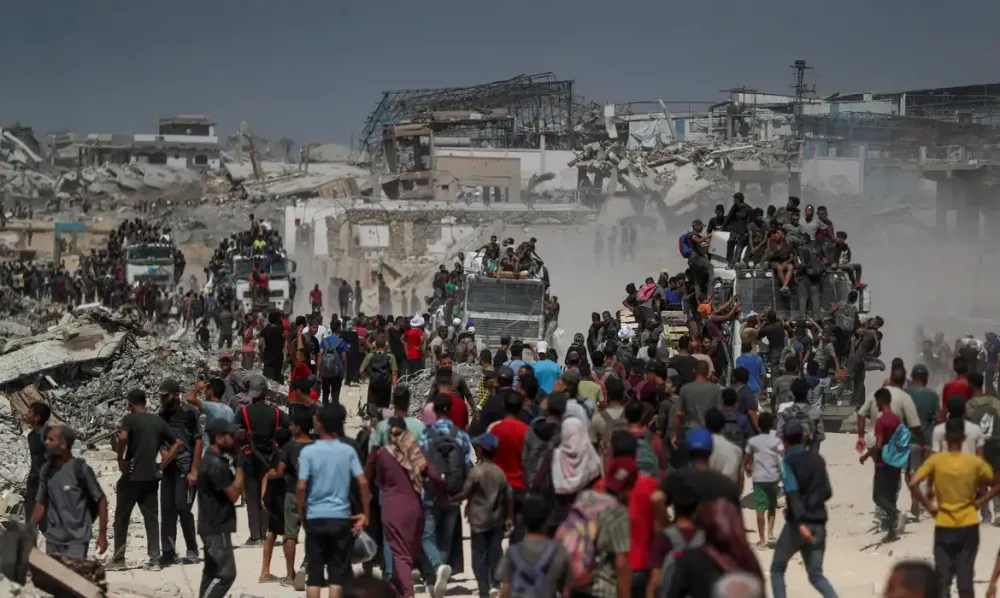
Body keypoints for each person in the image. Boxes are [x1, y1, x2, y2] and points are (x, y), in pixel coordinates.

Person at [911, 417, 997, 598]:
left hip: (944, 522)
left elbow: (913, 483)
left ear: (945, 438)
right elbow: (996, 484)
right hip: (968, 522)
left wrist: (929, 506)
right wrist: (981, 502)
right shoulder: (974, 462)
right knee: (965, 579)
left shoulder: (936, 460)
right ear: (964, 437)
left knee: (943, 579)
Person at [298, 403, 371, 598]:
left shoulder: (308, 451)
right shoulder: (348, 450)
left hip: (315, 517)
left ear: (320, 424)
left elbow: (301, 486)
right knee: (337, 575)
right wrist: (365, 513)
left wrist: (302, 512)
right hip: (341, 517)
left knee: (314, 574)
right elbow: (363, 482)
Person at [111, 389, 183, 571]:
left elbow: (123, 437)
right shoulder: (158, 421)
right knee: (151, 519)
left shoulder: (130, 419)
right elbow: (179, 443)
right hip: (151, 476)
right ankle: (154, 560)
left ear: (130, 404)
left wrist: (120, 460)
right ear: (145, 402)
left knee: (122, 517)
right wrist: (162, 464)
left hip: (131, 476)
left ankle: (119, 559)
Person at [367, 415, 438, 598]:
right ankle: (402, 587)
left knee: (400, 555)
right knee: (411, 551)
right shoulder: (415, 452)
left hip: (393, 509)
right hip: (416, 508)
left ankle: (406, 592)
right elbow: (435, 476)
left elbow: (379, 481)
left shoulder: (384, 455)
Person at [770, 419, 837, 598]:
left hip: (798, 525)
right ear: (803, 438)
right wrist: (812, 502)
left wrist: (800, 522)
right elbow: (827, 492)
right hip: (819, 522)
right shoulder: (818, 460)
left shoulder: (788, 461)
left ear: (784, 440)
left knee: (777, 569)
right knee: (816, 575)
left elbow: (793, 493)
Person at [30, 425, 108, 559]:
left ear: (63, 445)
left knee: (72, 572)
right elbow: (41, 503)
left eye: (51, 439)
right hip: (53, 539)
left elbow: (101, 500)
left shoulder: (80, 469)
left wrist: (102, 535)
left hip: (77, 540)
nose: (46, 442)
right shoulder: (46, 470)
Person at [451, 433, 513, 598]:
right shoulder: (499, 472)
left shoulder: (476, 471)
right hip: (496, 519)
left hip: (478, 520)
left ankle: (484, 589)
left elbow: (465, 493)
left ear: (482, 450)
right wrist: (509, 517)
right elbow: (509, 494)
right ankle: (495, 583)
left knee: (479, 555)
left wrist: (449, 498)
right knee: (494, 552)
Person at [235, 380, 289, 545]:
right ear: (265, 392)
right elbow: (290, 428)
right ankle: (266, 533)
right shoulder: (276, 412)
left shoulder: (243, 412)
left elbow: (234, 433)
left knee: (252, 498)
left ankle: (255, 536)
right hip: (271, 458)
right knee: (267, 495)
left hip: (250, 458)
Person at [158, 378, 203, 566]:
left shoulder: (189, 412)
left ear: (176, 395)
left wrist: (195, 470)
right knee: (167, 509)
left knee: (183, 508)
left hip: (186, 467)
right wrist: (164, 454)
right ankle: (168, 551)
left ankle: (192, 549)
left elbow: (198, 441)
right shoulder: (161, 414)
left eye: (166, 396)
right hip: (168, 469)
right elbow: (160, 439)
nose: (162, 399)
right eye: (161, 396)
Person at [197, 419, 244, 598]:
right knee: (225, 574)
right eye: (230, 435)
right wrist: (240, 465)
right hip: (217, 526)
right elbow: (234, 495)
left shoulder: (213, 460)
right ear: (219, 438)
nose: (234, 439)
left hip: (211, 524)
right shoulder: (215, 464)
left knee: (211, 573)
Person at [498, 493, 570, 598]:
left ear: (523, 520)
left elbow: (505, 589)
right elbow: (566, 591)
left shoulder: (513, 552)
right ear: (546, 520)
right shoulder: (558, 551)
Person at [861, 388, 907, 539]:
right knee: (891, 496)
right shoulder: (896, 419)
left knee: (878, 496)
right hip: (895, 463)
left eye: (877, 402)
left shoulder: (881, 421)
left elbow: (879, 445)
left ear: (881, 401)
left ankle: (896, 513)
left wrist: (866, 455)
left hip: (882, 463)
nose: (876, 405)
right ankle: (891, 531)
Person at [745, 412, 782, 549]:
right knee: (772, 505)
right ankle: (770, 533)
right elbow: (783, 455)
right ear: (771, 425)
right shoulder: (776, 441)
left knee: (760, 507)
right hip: (773, 477)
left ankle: (762, 541)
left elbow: (748, 457)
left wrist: (748, 468)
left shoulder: (753, 441)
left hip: (759, 478)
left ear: (759, 425)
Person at [319, 321, 349, 405]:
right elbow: (344, 358)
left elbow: (320, 355)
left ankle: (324, 409)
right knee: (335, 396)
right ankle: (334, 409)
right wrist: (344, 371)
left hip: (325, 371)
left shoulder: (324, 341)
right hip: (337, 372)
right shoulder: (342, 342)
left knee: (325, 394)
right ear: (339, 328)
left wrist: (319, 369)